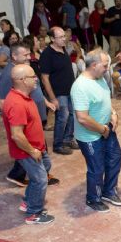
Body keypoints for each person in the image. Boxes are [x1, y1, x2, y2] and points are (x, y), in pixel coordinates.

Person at [71, 49, 121, 212]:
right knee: (97, 167)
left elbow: (104, 101)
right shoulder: (80, 86)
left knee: (115, 156)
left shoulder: (99, 78)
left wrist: (113, 113)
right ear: (94, 65)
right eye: (105, 65)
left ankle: (108, 191)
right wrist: (102, 129)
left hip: (106, 129)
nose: (108, 68)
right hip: (90, 136)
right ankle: (93, 198)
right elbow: (82, 118)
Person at [2, 64, 55, 224]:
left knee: (44, 167)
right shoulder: (17, 103)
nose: (36, 79)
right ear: (23, 80)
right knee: (40, 180)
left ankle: (28, 201)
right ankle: (34, 213)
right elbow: (17, 136)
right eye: (33, 76)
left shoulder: (23, 96)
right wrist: (32, 151)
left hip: (37, 148)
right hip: (28, 151)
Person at [0, 43, 57, 187]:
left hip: (34, 116)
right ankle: (35, 176)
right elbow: (1, 101)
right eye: (24, 55)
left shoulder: (26, 70)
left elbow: (33, 90)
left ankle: (37, 173)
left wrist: (45, 102)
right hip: (24, 120)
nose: (28, 57)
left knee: (37, 147)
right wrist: (13, 120)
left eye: (29, 54)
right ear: (14, 56)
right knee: (28, 149)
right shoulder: (10, 74)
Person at [40, 27, 77, 155]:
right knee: (63, 117)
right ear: (51, 39)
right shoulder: (46, 54)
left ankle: (68, 140)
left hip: (70, 90)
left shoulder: (63, 49)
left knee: (72, 115)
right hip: (58, 92)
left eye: (64, 36)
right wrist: (53, 98)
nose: (64, 39)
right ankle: (58, 144)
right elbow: (44, 78)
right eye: (60, 37)